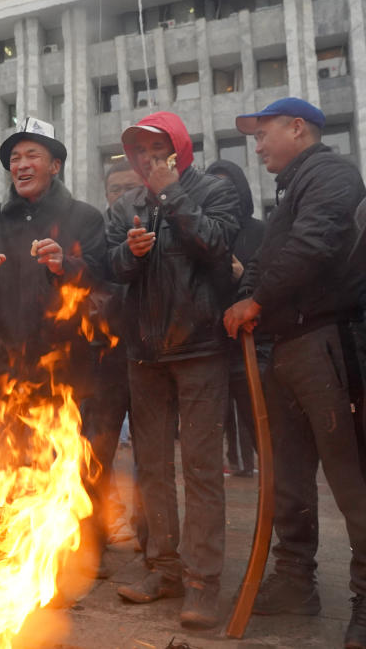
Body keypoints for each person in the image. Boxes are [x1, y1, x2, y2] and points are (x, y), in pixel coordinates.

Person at [224, 97, 366, 649]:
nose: (257, 146)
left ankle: (364, 598)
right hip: (286, 346)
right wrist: (247, 294)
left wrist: (256, 299)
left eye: (264, 135)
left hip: (326, 343)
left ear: (297, 128)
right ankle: (294, 581)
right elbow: (268, 255)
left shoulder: (331, 173)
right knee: (288, 473)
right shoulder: (289, 190)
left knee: (351, 480)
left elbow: (314, 245)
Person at [106, 111, 239, 629]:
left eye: (155, 149)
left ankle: (203, 583)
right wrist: (131, 254)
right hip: (143, 352)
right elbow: (110, 268)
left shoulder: (212, 191)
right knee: (153, 468)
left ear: (179, 149)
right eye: (138, 151)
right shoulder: (126, 206)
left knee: (203, 470)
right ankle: (163, 568)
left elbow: (220, 249)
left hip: (201, 348)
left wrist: (172, 196)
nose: (146, 159)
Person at [0, 117, 106, 457]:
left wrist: (64, 265)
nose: (21, 165)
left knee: (58, 477)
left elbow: (103, 279)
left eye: (32, 155)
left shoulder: (85, 218)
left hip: (62, 373)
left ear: (55, 165)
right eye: (14, 159)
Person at [80, 159, 144, 575]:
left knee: (150, 459)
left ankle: (152, 542)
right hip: (104, 359)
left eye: (130, 187)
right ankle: (91, 544)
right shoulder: (95, 233)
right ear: (106, 194)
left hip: (149, 354)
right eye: (115, 188)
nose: (122, 194)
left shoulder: (155, 227)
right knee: (95, 456)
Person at [204, 158, 267, 478]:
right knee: (221, 415)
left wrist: (243, 278)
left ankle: (267, 473)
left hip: (253, 343)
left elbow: (271, 283)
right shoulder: (203, 232)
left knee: (257, 415)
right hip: (212, 343)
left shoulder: (259, 231)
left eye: (227, 185)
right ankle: (237, 462)